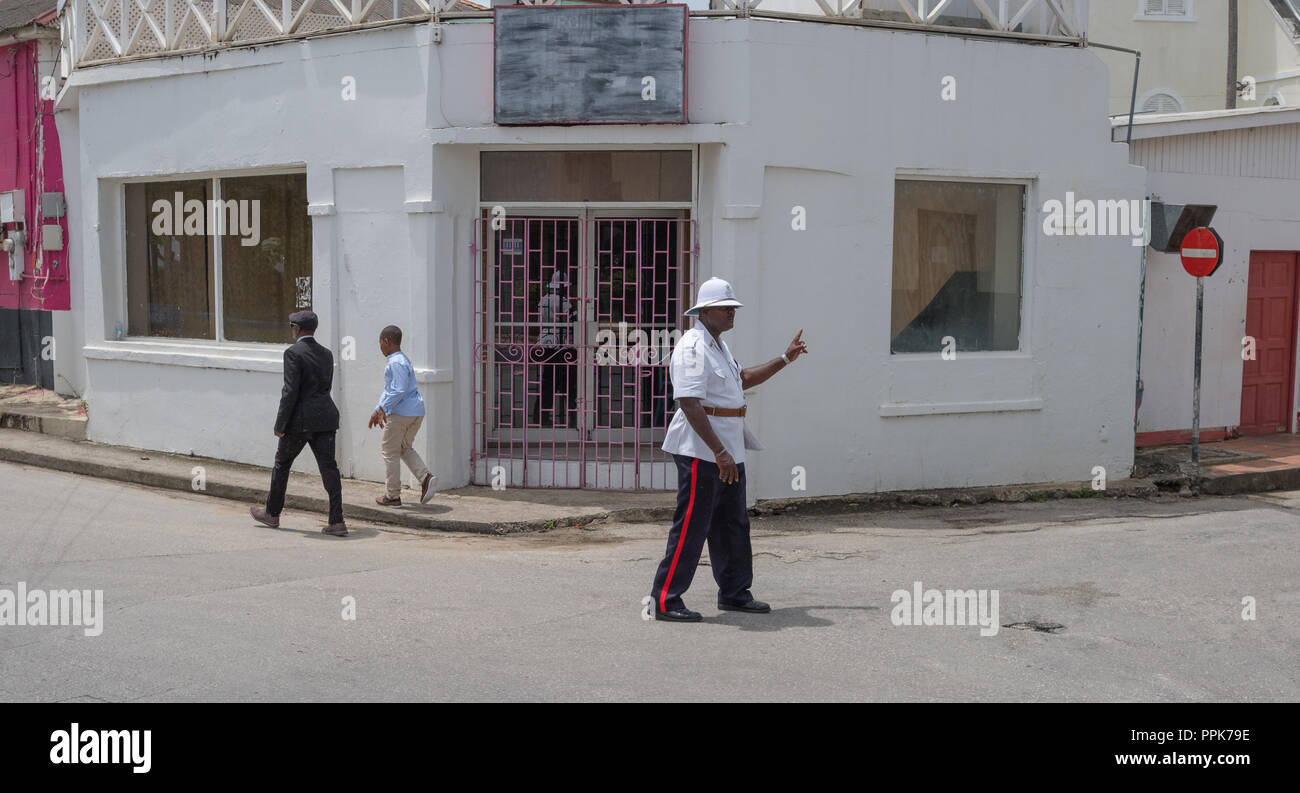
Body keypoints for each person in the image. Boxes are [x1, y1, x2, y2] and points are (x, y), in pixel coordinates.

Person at [649, 277, 809, 622]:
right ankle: (664, 600)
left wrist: (784, 358)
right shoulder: (692, 347)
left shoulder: (717, 345)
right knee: (692, 524)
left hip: (728, 448)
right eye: (726, 308)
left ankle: (735, 593)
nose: (732, 313)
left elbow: (743, 380)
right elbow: (689, 403)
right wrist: (719, 452)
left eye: (734, 307)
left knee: (732, 524)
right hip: (703, 451)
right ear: (705, 311)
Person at [250, 310, 348, 536]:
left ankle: (272, 514)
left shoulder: (292, 353)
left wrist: (280, 424)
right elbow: (324, 387)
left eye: (291, 327)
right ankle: (337, 521)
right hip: (325, 418)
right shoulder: (327, 354)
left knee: (282, 464)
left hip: (300, 421)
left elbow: (290, 391)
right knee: (329, 469)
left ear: (297, 328)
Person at [369, 325, 436, 507]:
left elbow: (398, 390)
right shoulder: (401, 360)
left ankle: (392, 496)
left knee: (389, 451)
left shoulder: (395, 362)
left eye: (380, 343)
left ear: (386, 341)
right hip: (415, 412)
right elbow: (390, 390)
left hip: (401, 414)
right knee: (404, 448)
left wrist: (382, 408)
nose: (380, 347)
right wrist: (379, 409)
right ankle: (426, 478)